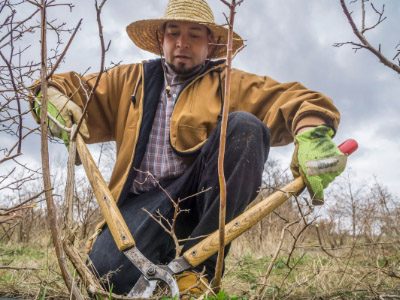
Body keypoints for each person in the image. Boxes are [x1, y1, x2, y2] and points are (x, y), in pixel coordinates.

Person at [31, 0, 344, 297]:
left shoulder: (228, 82)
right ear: (161, 39)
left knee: (246, 128)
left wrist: (312, 132)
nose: (183, 43)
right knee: (109, 277)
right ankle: (157, 266)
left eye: (195, 35)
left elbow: (295, 99)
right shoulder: (130, 79)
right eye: (174, 33)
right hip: (141, 203)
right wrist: (50, 96)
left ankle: (198, 273)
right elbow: (65, 86)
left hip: (200, 199)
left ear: (210, 45)